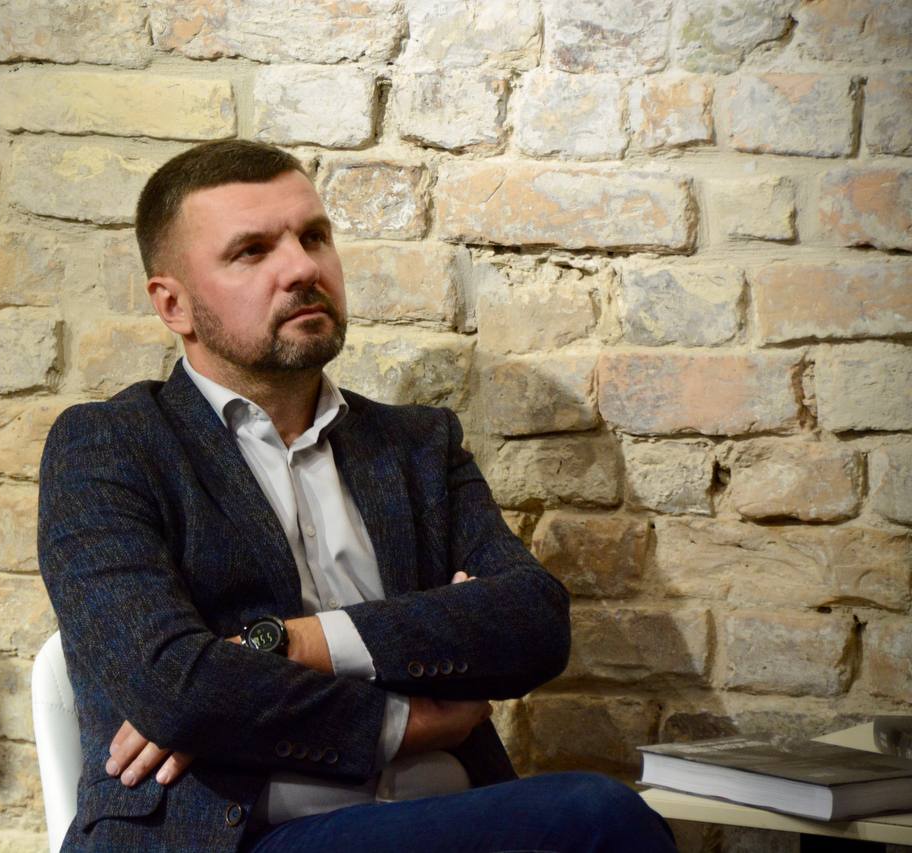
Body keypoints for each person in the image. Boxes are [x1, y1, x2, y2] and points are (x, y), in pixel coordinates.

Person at [37, 140, 676, 852]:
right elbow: (175, 688)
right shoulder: (110, 446)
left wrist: (291, 644)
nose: (302, 269)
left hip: (451, 813)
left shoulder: (417, 445)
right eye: (252, 251)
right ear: (173, 304)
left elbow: (532, 622)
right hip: (244, 835)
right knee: (594, 815)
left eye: (314, 237)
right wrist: (408, 721)